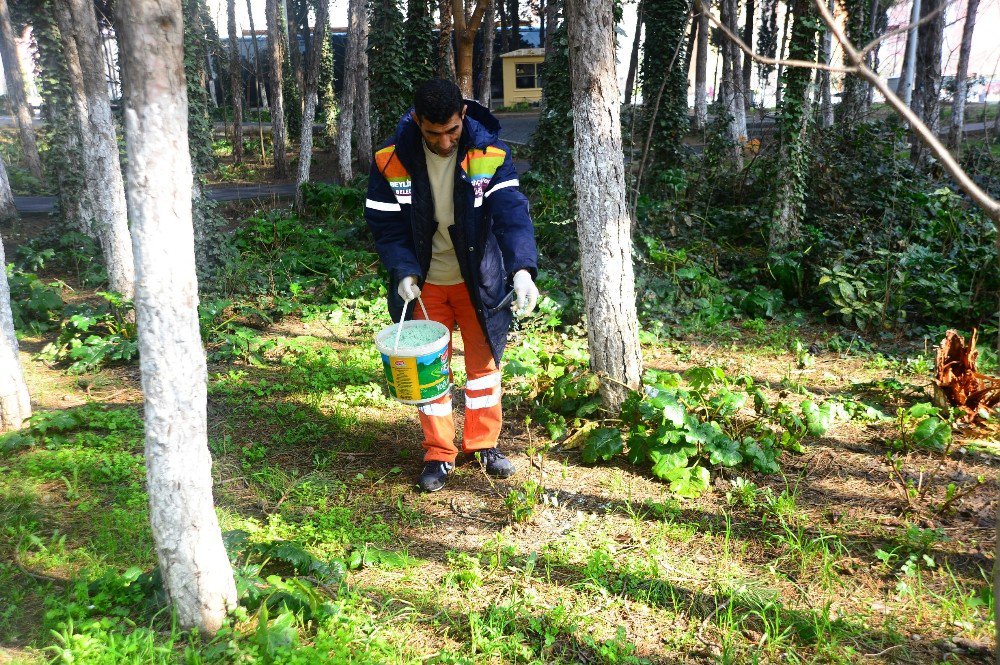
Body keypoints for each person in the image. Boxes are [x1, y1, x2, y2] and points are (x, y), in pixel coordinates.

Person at [365, 78, 539, 492]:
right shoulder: (391, 158)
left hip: (479, 280)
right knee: (430, 373)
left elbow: (512, 214)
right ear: (417, 121)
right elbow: (386, 225)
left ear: (463, 115)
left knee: (483, 368)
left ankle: (484, 445)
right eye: (432, 133)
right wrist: (403, 270)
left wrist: (522, 270)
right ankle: (439, 453)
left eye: (452, 132)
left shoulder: (490, 152)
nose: (444, 143)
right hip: (425, 285)